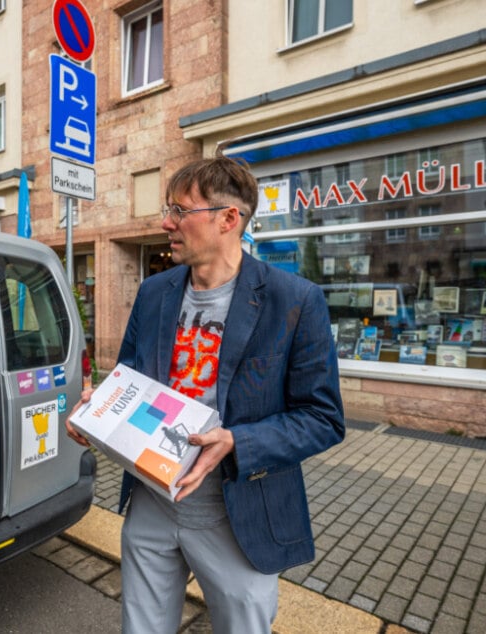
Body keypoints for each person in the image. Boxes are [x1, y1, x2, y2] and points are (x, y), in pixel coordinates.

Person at [66, 154, 344, 633]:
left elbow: (322, 418)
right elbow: (131, 376)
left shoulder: (294, 300)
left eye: (179, 210)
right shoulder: (155, 292)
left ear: (228, 218)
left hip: (238, 510)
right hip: (152, 500)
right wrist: (99, 409)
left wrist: (237, 441)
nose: (165, 222)